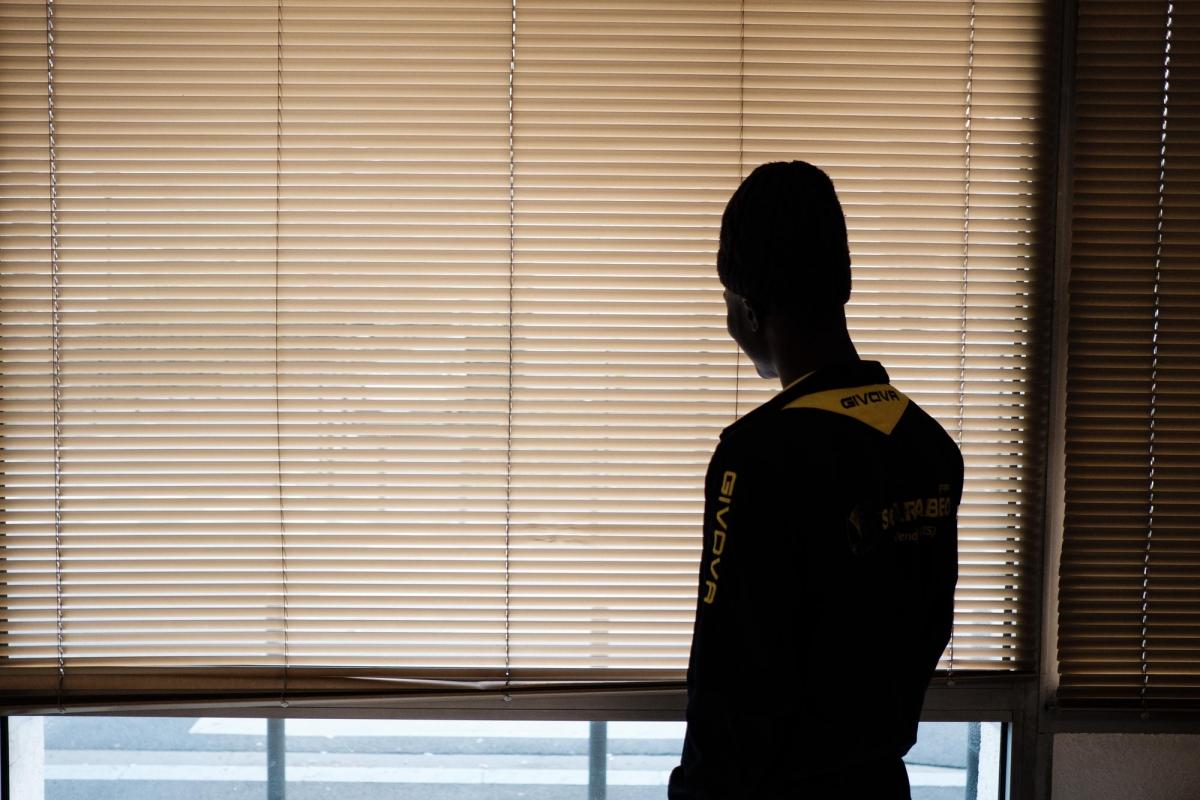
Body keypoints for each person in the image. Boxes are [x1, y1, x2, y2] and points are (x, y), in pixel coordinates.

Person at [668, 161, 963, 799]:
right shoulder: (930, 445)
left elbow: (728, 679)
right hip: (880, 783)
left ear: (747, 310)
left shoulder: (757, 455)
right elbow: (929, 629)